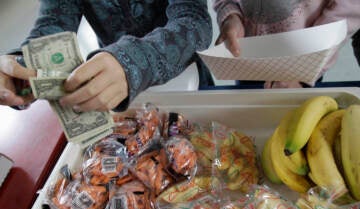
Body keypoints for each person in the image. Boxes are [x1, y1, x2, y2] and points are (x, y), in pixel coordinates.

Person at [0, 0, 213, 112]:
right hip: (113, 88)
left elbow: (194, 22)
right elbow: (55, 22)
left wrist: (132, 60)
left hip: (186, 79)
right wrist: (22, 66)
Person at [213, 0, 360, 88]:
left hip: (303, 65)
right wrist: (231, 15)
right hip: (246, 59)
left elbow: (349, 8)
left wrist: (304, 70)